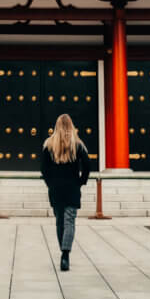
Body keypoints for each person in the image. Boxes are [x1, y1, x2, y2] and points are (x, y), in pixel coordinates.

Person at [40, 113, 91, 271]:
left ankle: (62, 250)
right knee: (69, 221)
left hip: (56, 188)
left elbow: (44, 169)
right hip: (72, 187)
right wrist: (81, 181)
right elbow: (87, 165)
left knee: (59, 220)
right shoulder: (77, 144)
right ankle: (65, 254)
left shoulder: (49, 144)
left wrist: (50, 184)